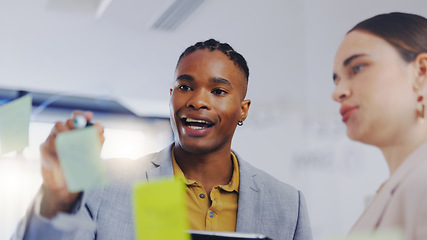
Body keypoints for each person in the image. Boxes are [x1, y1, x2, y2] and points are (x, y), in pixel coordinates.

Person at [12, 39, 313, 240]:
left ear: (243, 109)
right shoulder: (103, 183)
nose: (197, 101)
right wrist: (55, 201)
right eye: (185, 86)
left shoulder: (288, 205)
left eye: (218, 91)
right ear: (171, 97)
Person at [332, 12, 427, 239]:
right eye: (336, 80)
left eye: (357, 68)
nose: (337, 93)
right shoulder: (395, 187)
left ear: (421, 72)